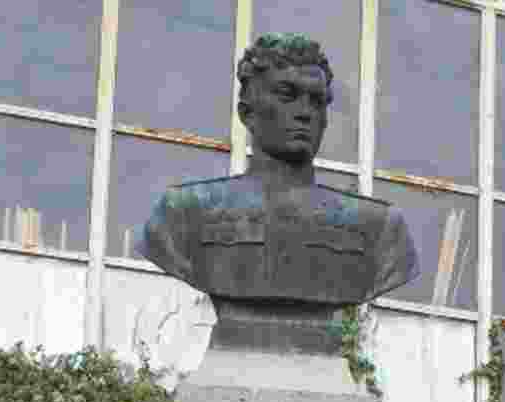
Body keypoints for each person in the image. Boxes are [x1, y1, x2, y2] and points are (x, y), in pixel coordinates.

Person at [140, 33, 418, 308]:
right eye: (287, 95)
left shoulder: (380, 228)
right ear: (247, 113)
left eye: (316, 101)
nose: (305, 112)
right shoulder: (184, 213)